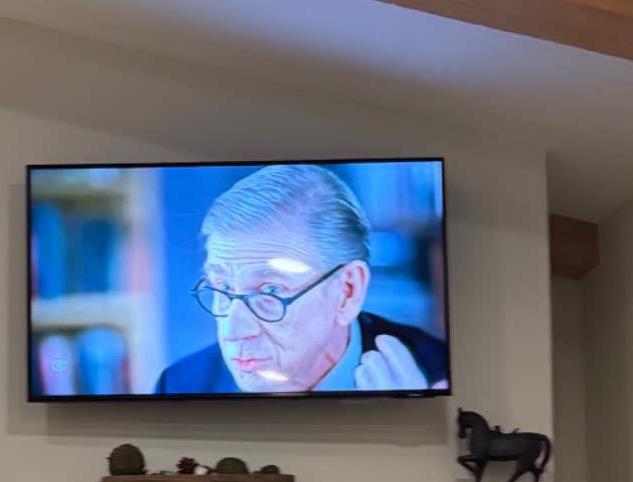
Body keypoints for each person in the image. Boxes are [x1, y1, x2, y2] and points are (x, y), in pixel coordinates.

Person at [155, 163, 448, 395]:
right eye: (222, 288)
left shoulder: (436, 369)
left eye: (270, 291)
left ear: (347, 292)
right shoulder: (182, 383)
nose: (234, 332)